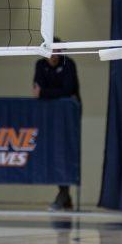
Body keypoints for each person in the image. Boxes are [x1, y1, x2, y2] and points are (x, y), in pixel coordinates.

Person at [33, 39, 80, 211]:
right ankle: (65, 196)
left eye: (56, 52)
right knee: (53, 155)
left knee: (65, 155)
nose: (53, 56)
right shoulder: (40, 65)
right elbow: (36, 91)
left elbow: (68, 90)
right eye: (50, 52)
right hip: (49, 117)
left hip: (68, 118)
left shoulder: (69, 65)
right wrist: (48, 93)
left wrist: (45, 92)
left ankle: (63, 194)